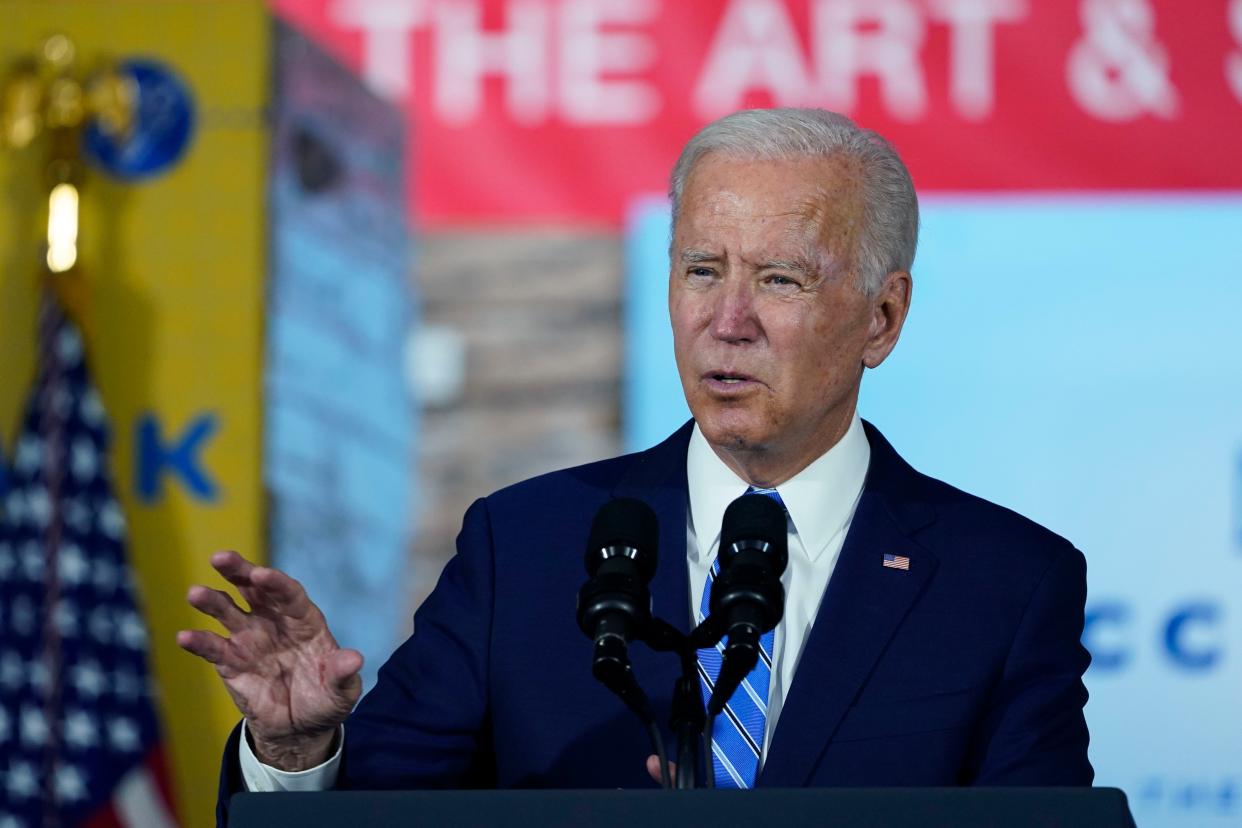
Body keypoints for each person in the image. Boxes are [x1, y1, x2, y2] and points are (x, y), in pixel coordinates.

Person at [178, 108, 1092, 822]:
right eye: (701, 270)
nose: (726, 320)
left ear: (882, 319)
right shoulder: (524, 548)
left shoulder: (1003, 585)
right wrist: (298, 754)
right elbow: (377, 815)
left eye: (780, 279)